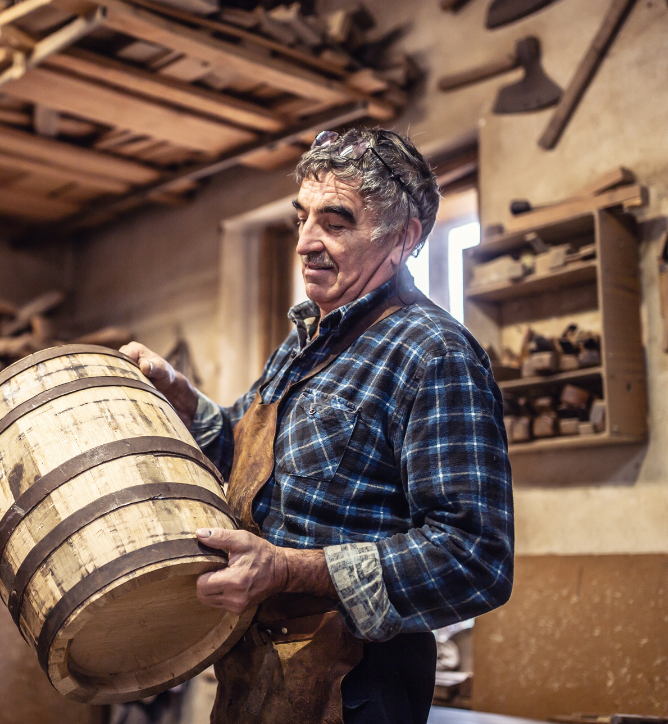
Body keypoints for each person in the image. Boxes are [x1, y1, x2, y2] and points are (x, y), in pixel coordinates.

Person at [120, 127, 513, 724]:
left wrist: (286, 569)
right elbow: (245, 457)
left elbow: (475, 557)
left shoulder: (435, 353)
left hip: (353, 688)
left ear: (404, 238)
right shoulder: (305, 344)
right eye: (301, 218)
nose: (306, 242)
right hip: (258, 675)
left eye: (336, 221)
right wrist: (182, 397)